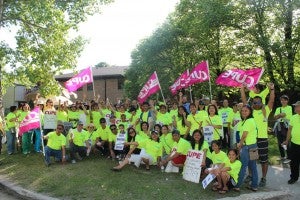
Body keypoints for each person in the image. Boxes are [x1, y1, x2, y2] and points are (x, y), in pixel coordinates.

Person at [241, 83, 275, 187]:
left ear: (261, 102)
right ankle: (251, 175)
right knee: (252, 159)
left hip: (262, 138)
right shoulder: (250, 112)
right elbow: (244, 101)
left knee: (263, 159)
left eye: (258, 102)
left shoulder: (266, 110)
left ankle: (263, 178)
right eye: (254, 102)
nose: (256, 103)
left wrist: (272, 89)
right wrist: (242, 89)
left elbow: (272, 100)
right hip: (252, 139)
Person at [235, 104, 258, 191]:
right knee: (253, 166)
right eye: (242, 111)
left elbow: (244, 135)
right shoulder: (245, 121)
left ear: (250, 112)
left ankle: (237, 185)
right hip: (253, 146)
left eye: (246, 111)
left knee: (243, 166)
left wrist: (239, 145)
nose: (244, 112)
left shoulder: (249, 121)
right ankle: (254, 185)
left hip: (247, 147)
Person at [282, 101, 300, 184]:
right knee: (294, 162)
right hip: (294, 143)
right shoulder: (293, 117)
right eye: (295, 106)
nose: (295, 108)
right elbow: (289, 129)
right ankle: (294, 177)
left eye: (296, 106)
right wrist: (287, 140)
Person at [273, 95, 292, 163]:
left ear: (287, 101)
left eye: (285, 100)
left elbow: (284, 115)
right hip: (279, 126)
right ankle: (282, 156)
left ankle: (289, 157)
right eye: (282, 100)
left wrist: (279, 115)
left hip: (286, 126)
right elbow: (275, 117)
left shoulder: (289, 107)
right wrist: (280, 115)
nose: (283, 101)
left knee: (286, 141)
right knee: (280, 141)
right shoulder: (278, 108)